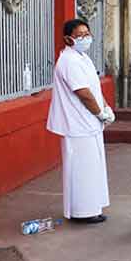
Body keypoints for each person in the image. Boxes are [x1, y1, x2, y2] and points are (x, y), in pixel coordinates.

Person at [47, 19, 114, 224]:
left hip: (88, 123)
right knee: (82, 170)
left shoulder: (82, 57)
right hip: (77, 124)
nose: (86, 38)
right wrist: (100, 113)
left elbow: (93, 87)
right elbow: (83, 93)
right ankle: (82, 212)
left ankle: (92, 207)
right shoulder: (68, 61)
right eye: (80, 35)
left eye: (87, 33)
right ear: (68, 39)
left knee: (93, 168)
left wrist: (105, 107)